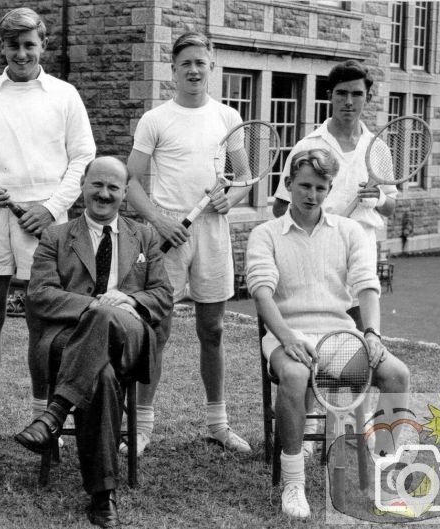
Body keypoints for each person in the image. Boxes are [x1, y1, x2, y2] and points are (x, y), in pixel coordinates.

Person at [246, 149, 410, 519]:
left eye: (321, 188)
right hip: (288, 334)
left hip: (340, 337)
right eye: (304, 185)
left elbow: (367, 285)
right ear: (287, 185)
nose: (312, 195)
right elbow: (261, 292)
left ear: (329, 189)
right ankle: (294, 482)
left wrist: (372, 333)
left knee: (397, 374)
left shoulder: (349, 231)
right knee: (294, 374)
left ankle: (385, 465)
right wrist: (286, 337)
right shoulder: (264, 234)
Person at [0, 7, 96, 442]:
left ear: (43, 46)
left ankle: (43, 415)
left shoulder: (65, 95)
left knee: (44, 321)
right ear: (2, 47)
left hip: (46, 225)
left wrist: (52, 207)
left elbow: (83, 158)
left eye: (29, 45)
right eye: (13, 45)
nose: (21, 53)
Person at [15, 157, 172, 528]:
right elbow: (39, 295)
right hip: (71, 341)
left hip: (130, 338)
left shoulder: (145, 236)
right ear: (83, 185)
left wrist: (130, 300)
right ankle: (103, 496)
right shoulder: (56, 236)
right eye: (97, 185)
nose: (104, 194)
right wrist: (95, 305)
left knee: (107, 317)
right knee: (100, 376)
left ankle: (54, 414)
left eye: (114, 188)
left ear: (125, 194)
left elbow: (164, 295)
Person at [125, 32, 252, 455]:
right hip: (168, 238)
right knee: (156, 332)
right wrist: (160, 222)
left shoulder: (229, 118)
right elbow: (132, 185)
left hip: (212, 236)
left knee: (212, 331)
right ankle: (142, 427)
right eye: (186, 64)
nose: (194, 70)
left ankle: (218, 424)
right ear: (174, 71)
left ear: (211, 66)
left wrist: (226, 199)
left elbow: (243, 182)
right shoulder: (155, 119)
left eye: (201, 63)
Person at [272, 59, 397, 328]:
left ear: (368, 97)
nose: (349, 101)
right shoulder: (308, 145)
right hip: (316, 252)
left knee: (362, 335)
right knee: (317, 334)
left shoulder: (378, 149)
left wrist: (379, 198)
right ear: (330, 96)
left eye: (356, 94)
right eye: (341, 93)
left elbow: (391, 207)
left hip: (361, 250)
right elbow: (280, 208)